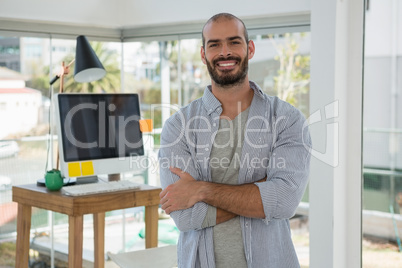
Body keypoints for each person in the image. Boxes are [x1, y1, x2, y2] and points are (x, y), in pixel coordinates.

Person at [158, 13, 311, 268]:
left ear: (249, 48)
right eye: (214, 44)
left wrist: (201, 190)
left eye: (234, 42)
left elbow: (284, 201)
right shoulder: (178, 126)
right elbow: (186, 216)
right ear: (203, 54)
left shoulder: (286, 119)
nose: (225, 52)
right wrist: (261, 192)